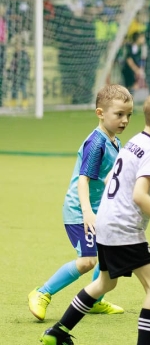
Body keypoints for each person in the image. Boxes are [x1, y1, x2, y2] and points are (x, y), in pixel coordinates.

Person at [40, 88, 150, 345]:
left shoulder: (133, 142)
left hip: (106, 225)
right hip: (125, 230)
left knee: (105, 282)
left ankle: (59, 331)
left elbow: (114, 178)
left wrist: (146, 192)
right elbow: (139, 195)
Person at [28, 84, 133, 320]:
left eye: (128, 115)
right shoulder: (96, 144)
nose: (125, 120)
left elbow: (112, 178)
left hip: (101, 211)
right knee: (87, 261)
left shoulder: (115, 142)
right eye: (119, 114)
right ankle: (42, 293)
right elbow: (83, 180)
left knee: (111, 257)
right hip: (80, 211)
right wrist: (87, 212)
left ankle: (94, 301)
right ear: (100, 113)